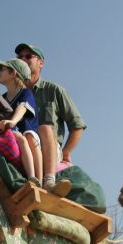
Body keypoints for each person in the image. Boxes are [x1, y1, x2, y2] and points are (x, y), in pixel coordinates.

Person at [15, 43, 80, 197]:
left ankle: (49, 181)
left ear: (41, 63)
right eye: (20, 57)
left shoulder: (54, 90)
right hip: (22, 150)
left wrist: (66, 152)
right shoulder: (10, 97)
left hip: (48, 151)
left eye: (28, 56)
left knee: (45, 128)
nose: (23, 59)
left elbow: (77, 125)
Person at [0, 58, 42, 184]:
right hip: (10, 135)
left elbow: (22, 107)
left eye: (3, 69)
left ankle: (38, 180)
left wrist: (13, 121)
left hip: (26, 136)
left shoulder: (25, 93)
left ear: (13, 73)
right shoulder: (2, 98)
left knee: (28, 136)